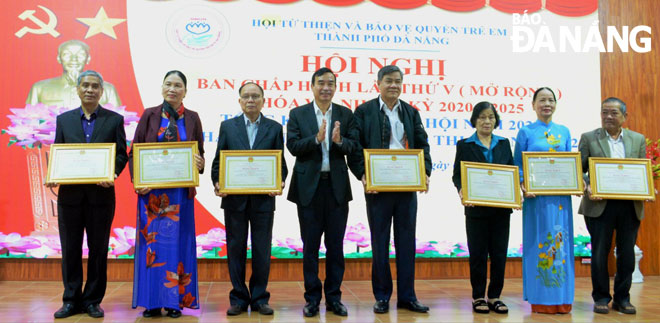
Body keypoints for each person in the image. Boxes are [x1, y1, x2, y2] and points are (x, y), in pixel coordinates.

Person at [347, 65, 432, 314]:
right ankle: (382, 296)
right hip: (377, 187)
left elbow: (423, 144)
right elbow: (354, 146)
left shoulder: (411, 112)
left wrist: (425, 171)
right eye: (388, 81)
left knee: (406, 242)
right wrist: (363, 175)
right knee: (380, 242)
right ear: (378, 84)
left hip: (407, 185)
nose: (393, 85)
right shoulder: (364, 112)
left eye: (397, 81)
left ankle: (408, 296)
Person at [47, 70, 128, 318]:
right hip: (70, 197)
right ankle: (71, 300)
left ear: (102, 91)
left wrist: (111, 174)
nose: (90, 90)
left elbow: (122, 154)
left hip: (101, 197)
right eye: (86, 86)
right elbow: (59, 153)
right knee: (70, 248)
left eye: (95, 86)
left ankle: (93, 300)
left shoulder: (114, 120)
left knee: (98, 249)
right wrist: (54, 173)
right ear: (78, 89)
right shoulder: (64, 120)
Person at [129, 71, 205, 318]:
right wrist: (136, 180)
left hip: (180, 194)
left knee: (177, 245)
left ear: (185, 90)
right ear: (162, 87)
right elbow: (134, 152)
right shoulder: (149, 115)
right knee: (154, 246)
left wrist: (200, 164)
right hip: (152, 194)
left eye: (178, 85)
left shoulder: (192, 118)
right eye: (168, 84)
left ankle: (175, 302)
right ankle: (152, 301)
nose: (172, 89)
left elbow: (200, 154)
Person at [211, 82, 288, 316]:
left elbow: (280, 164)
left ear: (264, 100)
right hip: (235, 200)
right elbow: (218, 162)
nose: (251, 100)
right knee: (235, 249)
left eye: (256, 96)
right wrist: (217, 182)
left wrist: (280, 180)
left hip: (263, 199)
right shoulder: (228, 127)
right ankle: (238, 298)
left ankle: (260, 298)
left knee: (263, 250)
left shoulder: (274, 128)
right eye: (246, 96)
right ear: (240, 101)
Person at [286, 68, 358, 317]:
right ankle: (312, 299)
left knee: (336, 246)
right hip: (308, 190)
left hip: (336, 187)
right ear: (312, 86)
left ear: (335, 87)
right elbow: (293, 146)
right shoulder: (298, 114)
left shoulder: (345, 114)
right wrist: (316, 139)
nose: (326, 87)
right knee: (310, 246)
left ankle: (334, 298)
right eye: (321, 83)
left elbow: (354, 146)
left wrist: (338, 141)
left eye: (330, 83)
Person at [578, 97, 647, 315]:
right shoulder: (589, 138)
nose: (608, 116)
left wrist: (646, 187)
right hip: (599, 205)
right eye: (604, 112)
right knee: (599, 253)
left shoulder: (638, 139)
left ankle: (622, 298)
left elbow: (642, 169)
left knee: (626, 253)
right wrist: (587, 185)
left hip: (629, 205)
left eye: (613, 113)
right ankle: (600, 297)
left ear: (625, 117)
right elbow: (578, 170)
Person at [514, 87, 574, 314]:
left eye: (550, 100)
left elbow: (570, 163)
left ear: (556, 104)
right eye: (541, 100)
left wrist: (576, 183)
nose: (546, 104)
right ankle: (541, 299)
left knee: (560, 244)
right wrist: (523, 185)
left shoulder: (564, 131)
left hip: (560, 199)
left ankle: (562, 298)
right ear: (533, 105)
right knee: (538, 243)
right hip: (536, 199)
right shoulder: (526, 132)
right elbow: (518, 166)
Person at [452, 102, 512, 314]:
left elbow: (511, 173)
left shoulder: (504, 143)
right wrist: (461, 190)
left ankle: (495, 296)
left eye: (491, 117)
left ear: (496, 120)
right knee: (477, 254)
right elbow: (458, 174)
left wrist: (515, 195)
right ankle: (478, 296)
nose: (487, 121)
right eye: (482, 117)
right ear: (474, 120)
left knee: (499, 254)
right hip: (476, 209)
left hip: (501, 209)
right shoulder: (464, 145)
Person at [26, 39, 121, 108]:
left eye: (80, 55)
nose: (74, 59)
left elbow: (119, 124)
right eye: (67, 54)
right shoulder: (39, 88)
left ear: (88, 59)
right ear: (59, 58)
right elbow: (28, 123)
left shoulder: (108, 89)